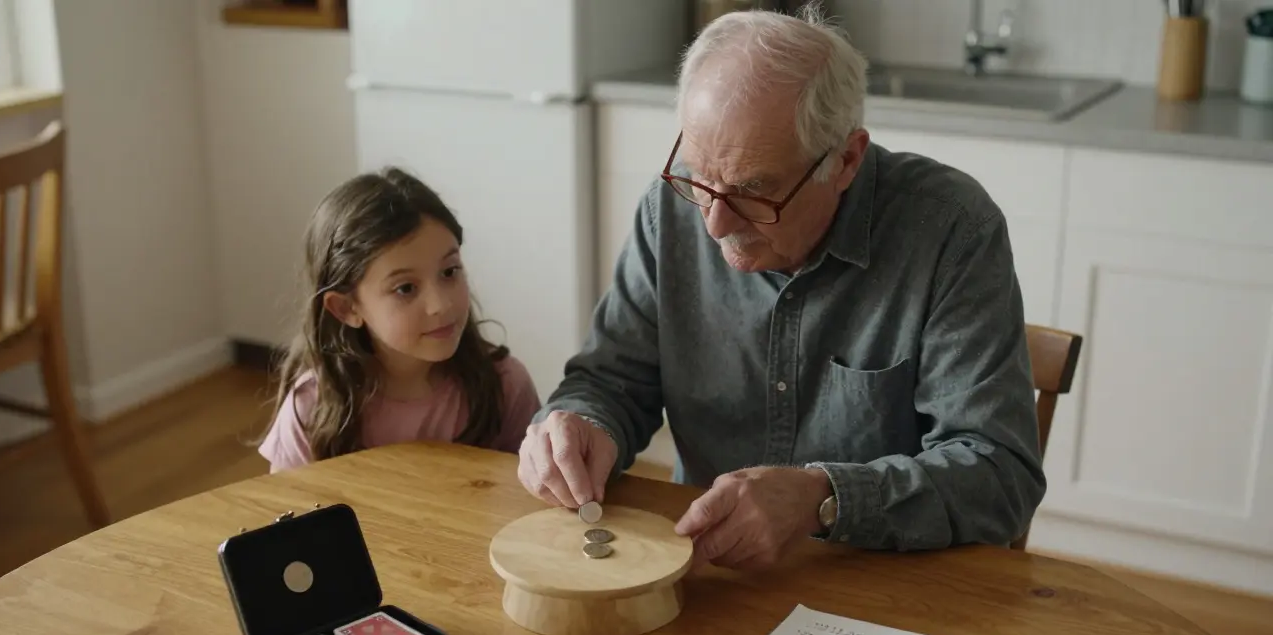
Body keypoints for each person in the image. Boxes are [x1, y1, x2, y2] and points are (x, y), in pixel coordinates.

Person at [515, 6, 1044, 570]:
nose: (714, 223)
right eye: (698, 176)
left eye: (752, 192)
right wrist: (579, 424)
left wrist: (824, 497)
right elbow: (613, 381)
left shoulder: (951, 230)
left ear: (845, 160)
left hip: (885, 584)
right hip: (708, 577)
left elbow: (999, 474)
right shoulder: (671, 209)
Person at [258, 168, 541, 472]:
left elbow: (531, 506)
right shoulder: (311, 407)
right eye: (405, 288)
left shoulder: (507, 386)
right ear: (346, 308)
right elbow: (290, 513)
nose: (440, 305)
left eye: (449, 272)